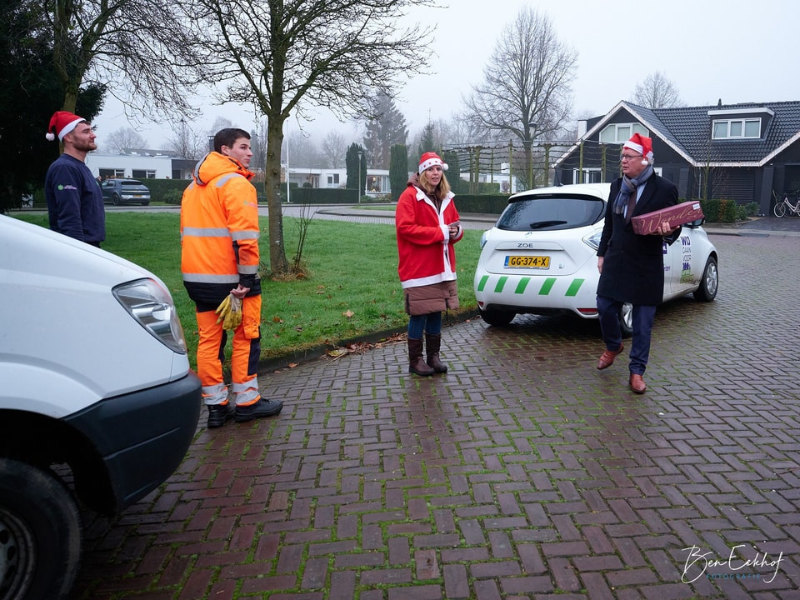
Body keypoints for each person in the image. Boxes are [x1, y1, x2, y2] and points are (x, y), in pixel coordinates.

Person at [180, 128, 284, 428]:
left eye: (250, 147)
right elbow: (246, 238)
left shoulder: (192, 189)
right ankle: (247, 403)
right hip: (233, 282)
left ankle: (215, 407)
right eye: (243, 147)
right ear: (225, 150)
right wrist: (247, 280)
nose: (249, 153)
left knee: (209, 343)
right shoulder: (236, 184)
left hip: (198, 280)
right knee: (245, 338)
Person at [595, 133, 681, 394]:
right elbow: (610, 224)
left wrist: (667, 230)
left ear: (645, 160)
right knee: (604, 306)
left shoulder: (665, 189)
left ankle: (636, 372)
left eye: (628, 157)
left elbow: (674, 229)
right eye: (622, 156)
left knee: (643, 323)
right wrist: (602, 254)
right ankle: (614, 345)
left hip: (646, 265)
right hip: (617, 260)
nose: (623, 161)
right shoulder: (616, 187)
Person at [396, 152, 463, 376]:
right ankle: (415, 361)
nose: (435, 173)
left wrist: (455, 232)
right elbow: (405, 229)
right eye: (431, 169)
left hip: (441, 267)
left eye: (439, 169)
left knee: (436, 311)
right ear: (423, 172)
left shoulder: (447, 197)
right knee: (419, 313)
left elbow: (454, 224)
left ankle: (433, 357)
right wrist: (441, 232)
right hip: (419, 268)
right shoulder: (409, 196)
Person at [44, 111, 105, 246]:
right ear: (68, 137)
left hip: (90, 246)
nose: (93, 135)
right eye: (86, 132)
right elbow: (69, 219)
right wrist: (78, 254)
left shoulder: (80, 167)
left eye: (91, 131)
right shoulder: (65, 169)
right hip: (79, 248)